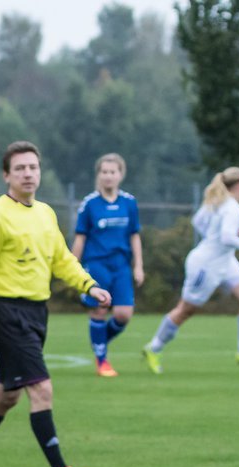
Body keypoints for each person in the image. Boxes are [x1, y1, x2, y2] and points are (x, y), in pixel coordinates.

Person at [0, 141, 111, 467]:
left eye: (33, 167)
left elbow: (61, 259)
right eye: (19, 168)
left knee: (7, 396)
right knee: (41, 389)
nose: (28, 174)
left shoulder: (45, 213)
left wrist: (89, 285)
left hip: (36, 313)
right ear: (6, 175)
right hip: (6, 313)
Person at [141, 166, 239, 373]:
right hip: (206, 265)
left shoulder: (220, 203)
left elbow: (198, 221)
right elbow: (227, 238)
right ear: (238, 185)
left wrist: (212, 239)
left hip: (225, 261)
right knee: (186, 310)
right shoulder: (230, 207)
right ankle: (153, 348)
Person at [72, 153, 143, 377]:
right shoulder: (89, 204)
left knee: (123, 314)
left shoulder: (129, 203)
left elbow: (134, 236)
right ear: (99, 175)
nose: (108, 176)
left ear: (120, 175)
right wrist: (73, 267)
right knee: (100, 308)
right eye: (104, 172)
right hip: (96, 264)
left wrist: (138, 265)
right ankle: (102, 360)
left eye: (113, 172)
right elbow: (81, 237)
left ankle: (99, 342)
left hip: (121, 265)